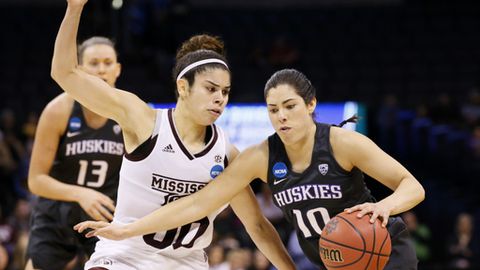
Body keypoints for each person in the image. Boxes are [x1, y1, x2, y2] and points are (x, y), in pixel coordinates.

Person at [77, 69, 426, 269]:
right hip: (331, 259)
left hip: (381, 249)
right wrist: (126, 230)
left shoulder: (342, 142)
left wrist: (384, 207)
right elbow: (197, 204)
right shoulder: (260, 157)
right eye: (274, 110)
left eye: (290, 106)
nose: (282, 116)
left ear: (311, 105)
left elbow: (412, 186)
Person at [52, 1, 295, 269]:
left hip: (186, 263)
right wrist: (74, 8)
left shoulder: (226, 153)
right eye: (211, 89)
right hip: (124, 255)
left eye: (225, 92)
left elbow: (257, 225)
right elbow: (64, 73)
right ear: (183, 87)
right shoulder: (143, 120)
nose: (219, 99)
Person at [26, 36, 124, 270]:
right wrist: (82, 194)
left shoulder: (129, 112)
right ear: (79, 69)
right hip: (58, 210)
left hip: (106, 213)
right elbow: (36, 180)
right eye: (94, 63)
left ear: (118, 69)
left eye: (108, 63)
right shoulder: (58, 110)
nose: (101, 69)